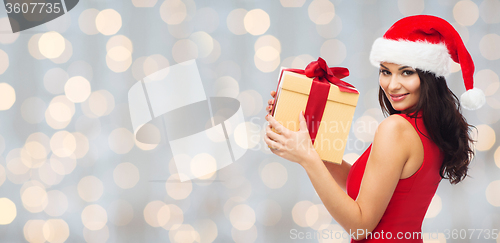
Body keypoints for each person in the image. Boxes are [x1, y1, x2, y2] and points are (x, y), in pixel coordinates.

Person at [264, 15, 485, 242]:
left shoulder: (396, 129)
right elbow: (373, 188)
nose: (392, 85)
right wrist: (308, 145)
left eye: (406, 72)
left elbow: (359, 226)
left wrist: (307, 158)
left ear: (428, 76)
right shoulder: (430, 126)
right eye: (386, 71)